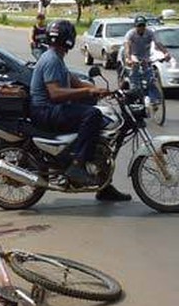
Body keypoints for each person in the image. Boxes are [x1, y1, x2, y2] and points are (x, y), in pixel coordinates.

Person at [29, 19, 131, 201]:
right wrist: (87, 91)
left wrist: (100, 91)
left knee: (94, 112)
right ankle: (77, 164)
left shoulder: (55, 57)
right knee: (93, 115)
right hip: (45, 110)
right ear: (69, 39)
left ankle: (104, 185)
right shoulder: (52, 59)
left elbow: (73, 81)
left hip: (50, 109)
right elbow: (55, 93)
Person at [124, 16, 170, 106]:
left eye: (143, 26)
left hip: (145, 56)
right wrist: (128, 58)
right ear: (135, 26)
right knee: (135, 71)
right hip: (134, 55)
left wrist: (165, 53)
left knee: (150, 77)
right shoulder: (131, 33)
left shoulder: (149, 33)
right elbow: (127, 46)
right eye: (139, 26)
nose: (141, 28)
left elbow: (158, 43)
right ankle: (134, 90)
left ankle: (154, 98)